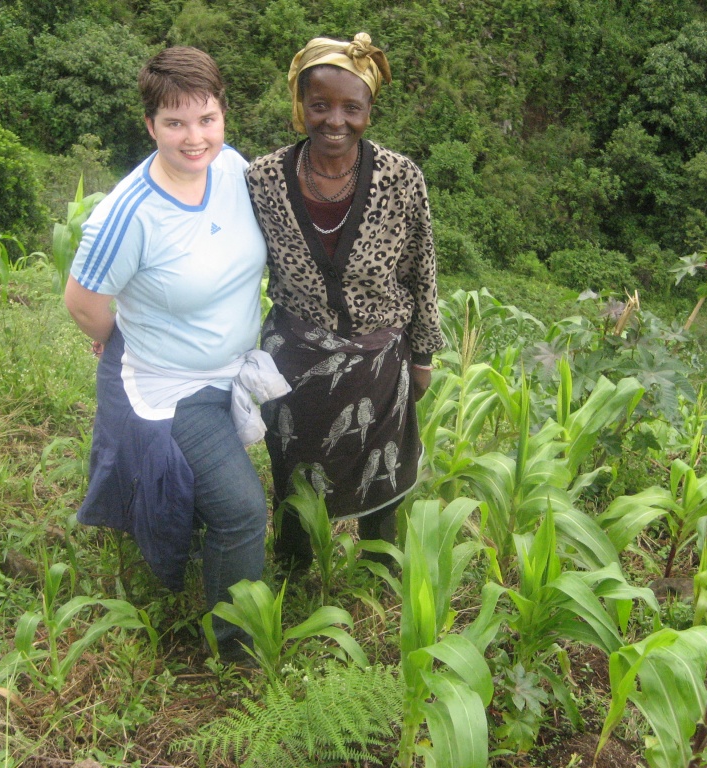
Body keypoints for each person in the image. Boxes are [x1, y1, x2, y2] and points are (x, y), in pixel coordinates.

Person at [64, 46, 288, 663]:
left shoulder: (235, 170)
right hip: (172, 385)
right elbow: (82, 302)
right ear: (150, 126)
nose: (195, 138)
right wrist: (117, 336)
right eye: (175, 123)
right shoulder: (128, 213)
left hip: (231, 369)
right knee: (243, 510)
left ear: (223, 118)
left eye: (207, 119)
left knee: (228, 499)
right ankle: (237, 652)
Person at [246, 33, 444, 574]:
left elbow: (421, 267)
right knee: (295, 470)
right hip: (296, 361)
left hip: (380, 360)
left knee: (385, 472)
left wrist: (422, 355)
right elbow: (238, 264)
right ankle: (294, 566)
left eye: (351, 108)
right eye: (320, 105)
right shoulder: (262, 179)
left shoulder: (400, 178)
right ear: (299, 106)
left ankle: (381, 567)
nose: (335, 120)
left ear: (369, 112)